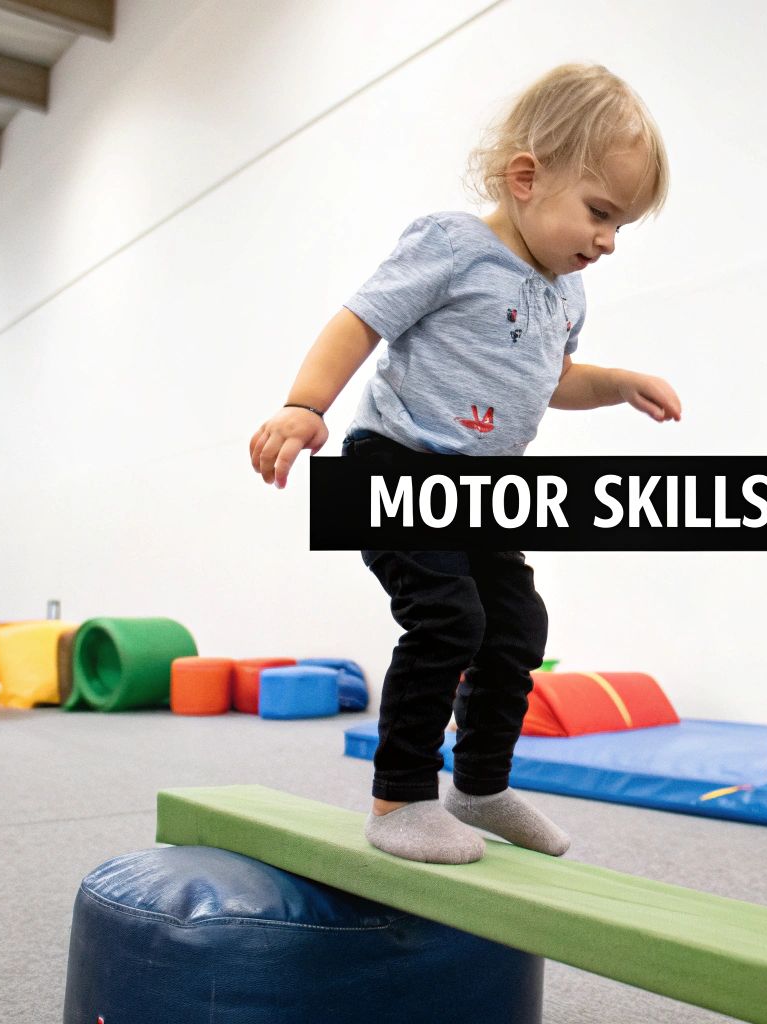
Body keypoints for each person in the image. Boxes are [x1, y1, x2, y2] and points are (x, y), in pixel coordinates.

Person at [250, 64, 680, 864]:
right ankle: (399, 798)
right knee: (450, 619)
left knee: (517, 628)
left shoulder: (564, 294)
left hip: (481, 490)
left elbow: (552, 383)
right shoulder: (452, 246)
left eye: (620, 226)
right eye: (599, 213)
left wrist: (617, 384)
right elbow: (359, 323)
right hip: (396, 463)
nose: (607, 241)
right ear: (527, 178)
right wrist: (305, 405)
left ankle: (479, 788)